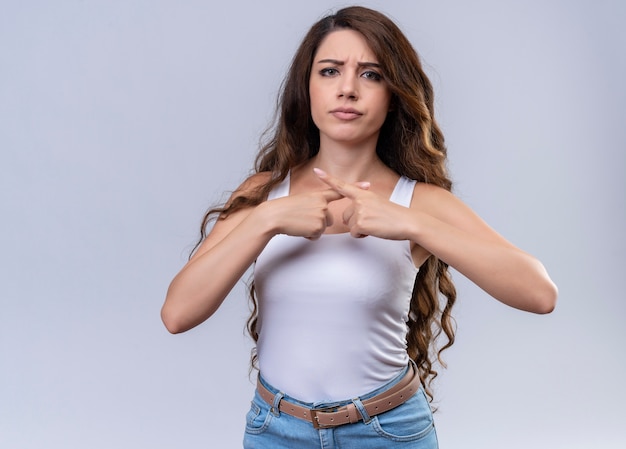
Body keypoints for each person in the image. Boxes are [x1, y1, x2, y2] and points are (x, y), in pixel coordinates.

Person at [161, 5, 558, 448]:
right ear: (306, 88)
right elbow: (177, 314)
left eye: (370, 75)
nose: (347, 89)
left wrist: (410, 223)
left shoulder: (419, 201)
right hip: (275, 432)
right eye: (330, 71)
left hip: (388, 432)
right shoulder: (261, 194)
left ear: (394, 94)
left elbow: (539, 294)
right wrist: (267, 219)